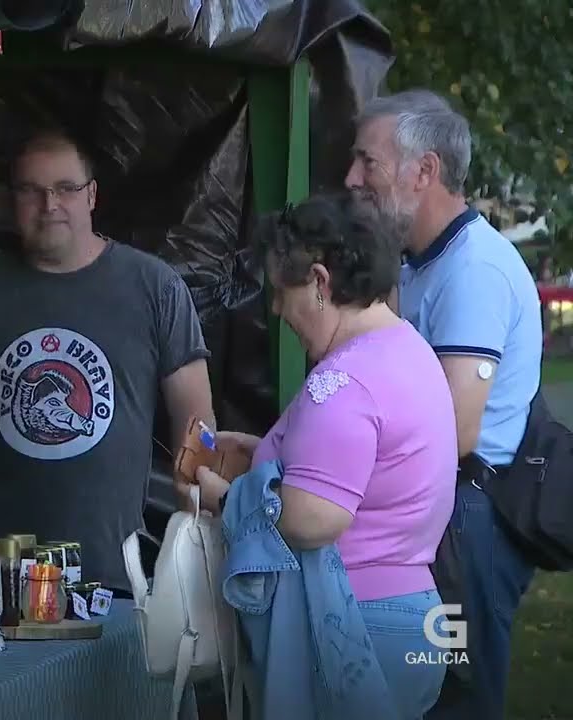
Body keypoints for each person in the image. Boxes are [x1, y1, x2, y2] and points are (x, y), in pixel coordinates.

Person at [0, 129, 216, 593]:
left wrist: (200, 533)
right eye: (31, 190)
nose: (49, 205)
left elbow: (197, 423)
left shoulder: (154, 287)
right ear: (11, 201)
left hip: (110, 582)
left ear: (92, 196)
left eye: (65, 188)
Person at [190, 193, 459, 718]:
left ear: (318, 282)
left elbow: (311, 520)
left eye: (278, 290)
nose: (273, 309)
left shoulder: (342, 381)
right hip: (416, 616)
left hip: (352, 624)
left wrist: (229, 500)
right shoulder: (407, 348)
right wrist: (265, 455)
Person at [346, 89, 542, 720]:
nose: (351, 179)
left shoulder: (473, 271)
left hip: (466, 527)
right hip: (442, 515)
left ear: (423, 171)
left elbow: (454, 432)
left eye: (366, 162)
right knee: (423, 691)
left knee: (454, 698)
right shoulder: (422, 264)